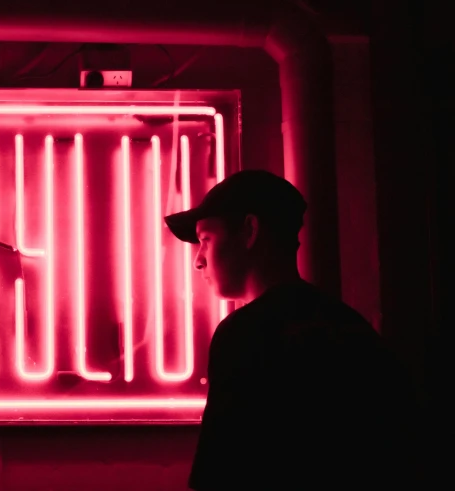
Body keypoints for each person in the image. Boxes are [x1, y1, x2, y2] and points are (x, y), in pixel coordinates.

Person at [164, 170, 418, 491]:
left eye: (205, 240)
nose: (198, 260)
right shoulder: (350, 326)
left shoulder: (245, 333)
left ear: (249, 231)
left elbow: (220, 469)